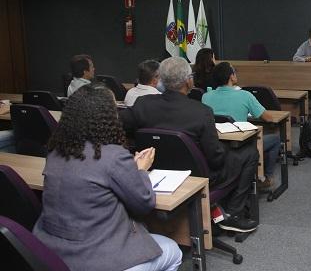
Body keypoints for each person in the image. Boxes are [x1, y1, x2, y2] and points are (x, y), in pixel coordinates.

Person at [33, 84, 182, 271]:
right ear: (108, 117)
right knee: (174, 252)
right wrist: (141, 170)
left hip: (52, 253)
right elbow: (144, 204)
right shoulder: (113, 156)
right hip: (98, 257)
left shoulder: (55, 151)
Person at [122, 57, 259, 233]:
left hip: (155, 172)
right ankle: (233, 214)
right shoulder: (201, 112)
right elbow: (215, 158)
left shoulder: (142, 104)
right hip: (197, 175)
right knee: (249, 153)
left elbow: (121, 123)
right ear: (188, 80)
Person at [202, 62, 281, 190]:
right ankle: (266, 178)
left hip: (216, 145)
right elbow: (268, 118)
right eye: (234, 72)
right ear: (231, 77)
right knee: (275, 139)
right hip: (240, 146)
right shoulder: (245, 95)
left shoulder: (206, 97)